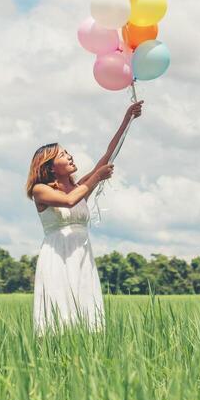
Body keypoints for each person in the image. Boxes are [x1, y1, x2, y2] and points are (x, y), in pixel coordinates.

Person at [25, 99, 144, 334]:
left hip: (82, 254)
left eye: (68, 153)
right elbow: (69, 201)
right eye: (63, 154)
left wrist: (127, 119)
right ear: (49, 166)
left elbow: (108, 155)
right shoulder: (40, 190)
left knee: (84, 310)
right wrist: (96, 178)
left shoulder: (79, 187)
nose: (70, 156)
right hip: (58, 255)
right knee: (60, 313)